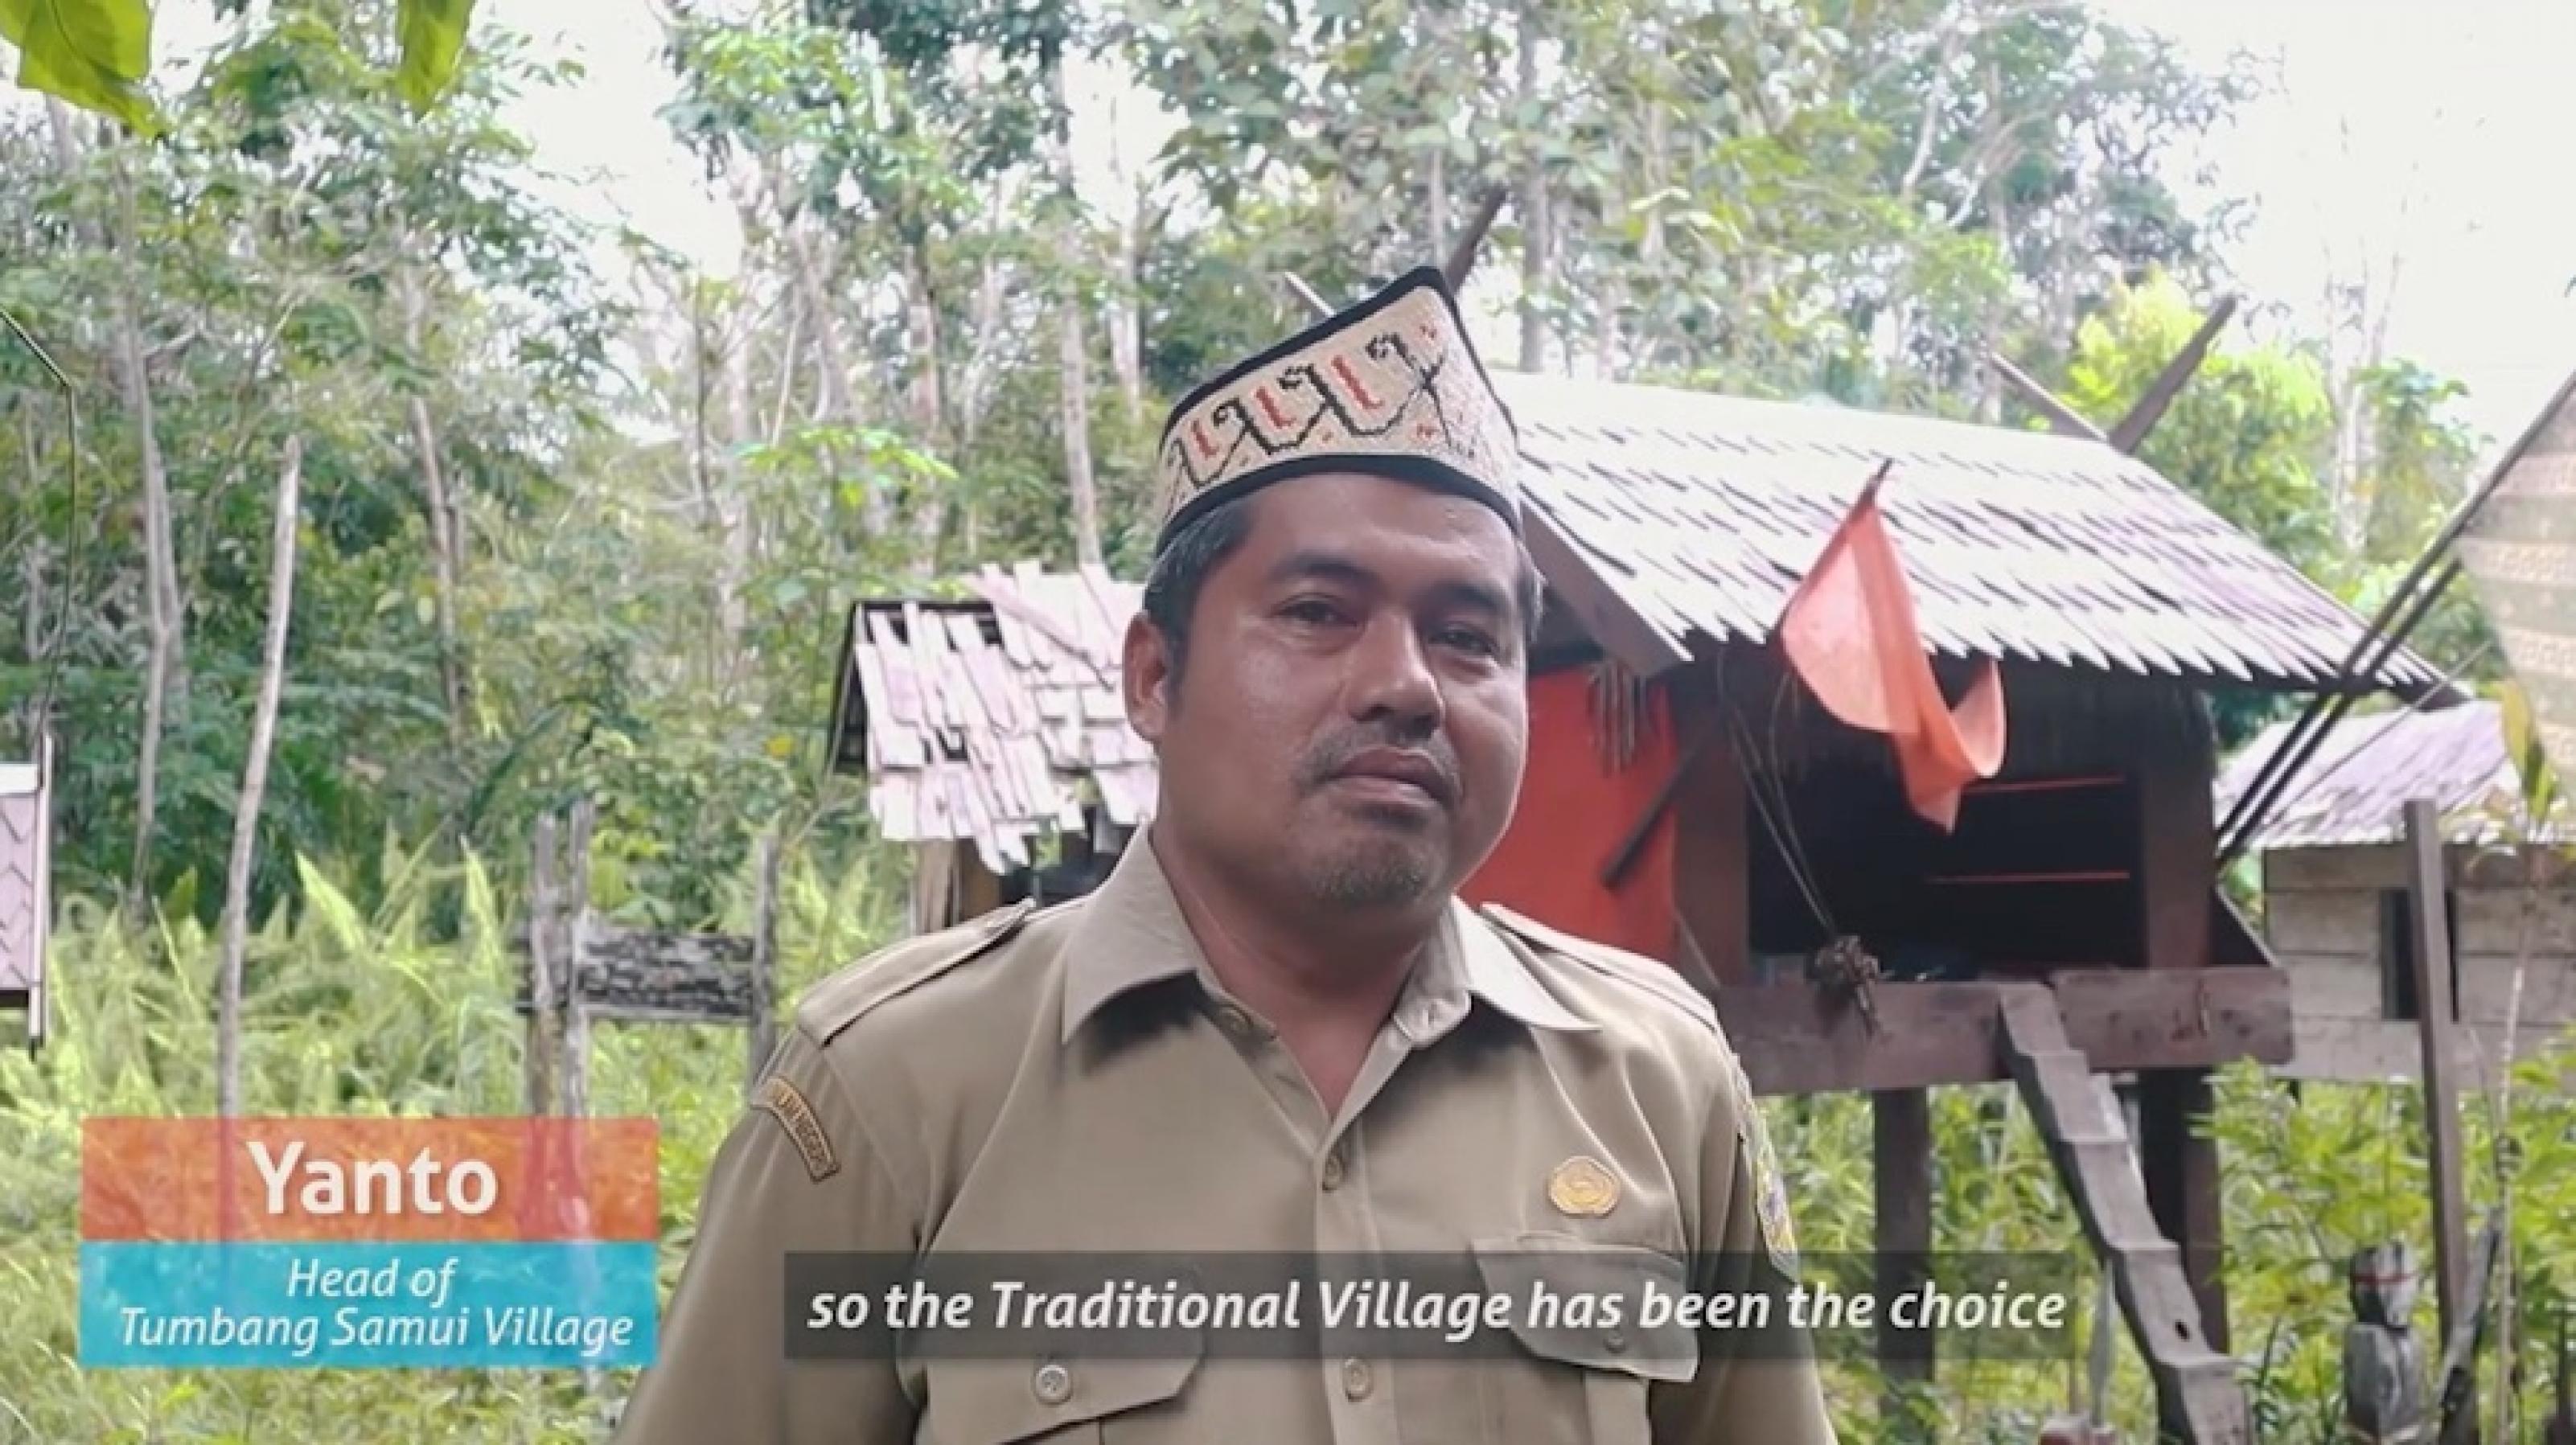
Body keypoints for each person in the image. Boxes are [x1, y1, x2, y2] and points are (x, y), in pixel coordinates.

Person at [610, 266, 1840, 1443]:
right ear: (1155, 673)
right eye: (1318, 612)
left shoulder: (1660, 1080)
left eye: (1467, 634)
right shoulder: (893, 1091)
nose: (1408, 685)